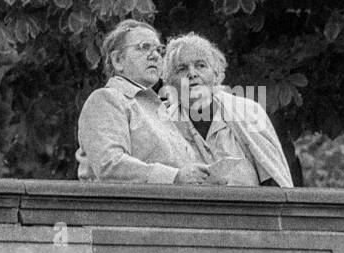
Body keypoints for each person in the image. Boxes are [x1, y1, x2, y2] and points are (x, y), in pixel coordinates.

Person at [76, 20, 210, 184]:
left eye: (159, 50)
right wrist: (174, 177)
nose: (155, 56)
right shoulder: (107, 99)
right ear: (118, 60)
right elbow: (109, 164)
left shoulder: (160, 109)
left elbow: (183, 172)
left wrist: (205, 181)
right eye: (144, 47)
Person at [160, 32, 293, 187]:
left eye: (200, 65)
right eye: (182, 69)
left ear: (216, 73)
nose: (192, 73)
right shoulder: (164, 124)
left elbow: (274, 179)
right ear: (169, 81)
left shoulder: (248, 112)